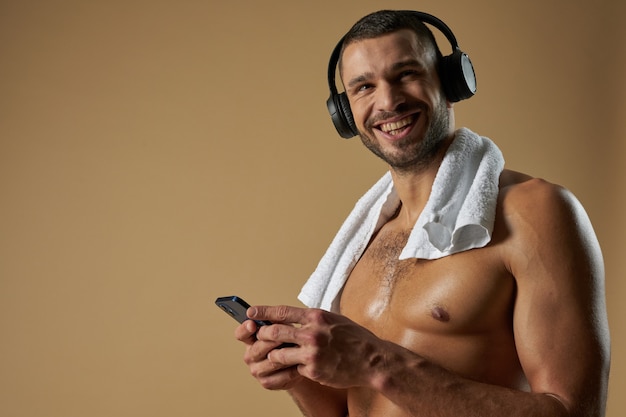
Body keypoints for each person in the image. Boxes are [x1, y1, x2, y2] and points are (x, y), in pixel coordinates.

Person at [234, 10, 610, 417]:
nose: (388, 101)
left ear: (451, 82)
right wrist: (299, 380)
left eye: (406, 74)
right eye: (364, 86)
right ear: (345, 112)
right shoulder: (365, 239)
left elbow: (575, 412)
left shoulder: (535, 213)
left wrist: (377, 362)